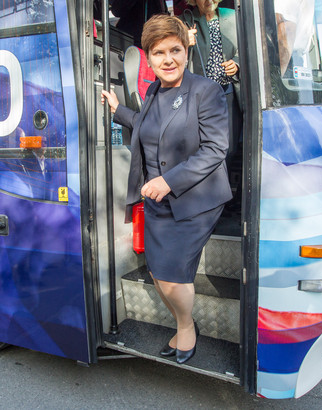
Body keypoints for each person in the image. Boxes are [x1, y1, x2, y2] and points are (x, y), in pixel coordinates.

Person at [101, 14, 232, 364]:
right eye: (159, 53)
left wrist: (168, 180)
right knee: (159, 272)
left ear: (186, 51)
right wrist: (119, 111)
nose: (168, 59)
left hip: (196, 200)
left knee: (173, 277)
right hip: (159, 201)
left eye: (174, 49)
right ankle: (181, 323)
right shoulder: (153, 90)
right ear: (149, 58)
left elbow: (216, 149)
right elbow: (146, 125)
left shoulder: (206, 90)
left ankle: (187, 327)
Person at [180, 0, 241, 165]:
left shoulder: (233, 17)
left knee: (228, 147)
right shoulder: (182, 21)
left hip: (226, 92)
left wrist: (236, 63)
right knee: (200, 148)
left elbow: (245, 48)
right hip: (198, 97)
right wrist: (182, 42)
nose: (209, 1)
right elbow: (169, 54)